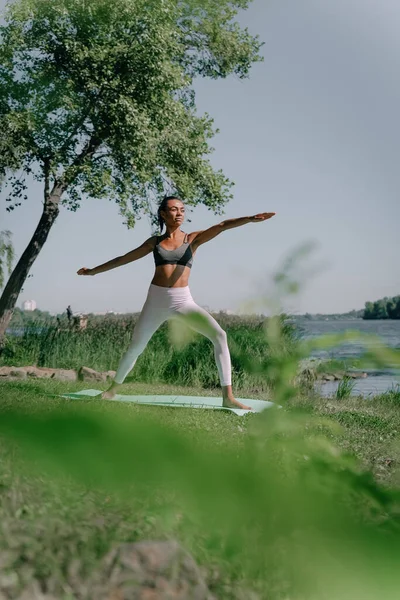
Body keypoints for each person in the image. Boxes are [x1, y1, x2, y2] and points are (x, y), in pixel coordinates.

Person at [77, 195, 275, 409]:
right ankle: (112, 390)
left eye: (182, 209)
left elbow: (222, 226)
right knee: (135, 347)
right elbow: (123, 259)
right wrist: (93, 272)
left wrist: (249, 218)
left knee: (220, 335)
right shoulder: (155, 242)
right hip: (156, 301)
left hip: (183, 301)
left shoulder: (192, 239)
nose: (179, 213)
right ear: (163, 214)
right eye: (173, 209)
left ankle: (228, 397)